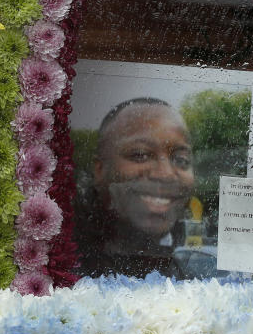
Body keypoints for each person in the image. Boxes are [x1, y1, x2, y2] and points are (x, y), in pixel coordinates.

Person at [76, 98, 195, 277]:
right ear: (99, 170)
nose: (166, 174)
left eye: (181, 160)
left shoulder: (192, 284)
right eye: (140, 155)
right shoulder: (58, 273)